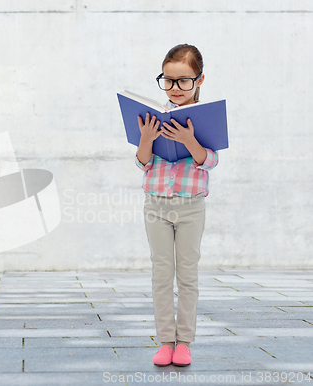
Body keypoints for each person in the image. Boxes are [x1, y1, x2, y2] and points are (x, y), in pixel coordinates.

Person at [135, 44, 219, 367]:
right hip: (155, 205)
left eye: (183, 81)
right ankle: (165, 341)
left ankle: (184, 341)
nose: (175, 88)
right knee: (161, 273)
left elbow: (209, 160)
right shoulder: (156, 115)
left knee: (187, 273)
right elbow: (143, 162)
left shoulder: (205, 117)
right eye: (168, 81)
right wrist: (146, 138)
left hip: (191, 207)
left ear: (199, 80)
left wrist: (189, 140)